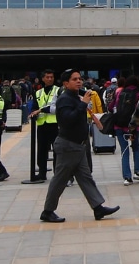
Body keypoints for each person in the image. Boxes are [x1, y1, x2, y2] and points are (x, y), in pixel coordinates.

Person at [39, 70, 120, 224]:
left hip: (78, 146)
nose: (79, 82)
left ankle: (98, 207)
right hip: (68, 146)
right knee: (60, 180)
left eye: (80, 79)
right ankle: (47, 211)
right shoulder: (64, 100)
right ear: (65, 83)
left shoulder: (77, 97)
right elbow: (67, 120)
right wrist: (83, 104)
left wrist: (83, 102)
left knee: (85, 178)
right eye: (74, 79)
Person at [27, 70, 59, 184]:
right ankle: (42, 173)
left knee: (57, 150)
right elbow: (34, 106)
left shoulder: (58, 90)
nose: (50, 79)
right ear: (43, 79)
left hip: (55, 124)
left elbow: (58, 106)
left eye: (51, 77)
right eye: (47, 77)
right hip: (42, 124)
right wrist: (32, 112)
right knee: (41, 150)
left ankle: (58, 173)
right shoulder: (38, 92)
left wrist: (40, 110)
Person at [113, 76, 139, 185]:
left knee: (124, 151)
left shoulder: (120, 93)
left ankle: (127, 177)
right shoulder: (138, 95)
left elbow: (112, 106)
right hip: (133, 127)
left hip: (119, 126)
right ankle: (137, 172)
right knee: (136, 148)